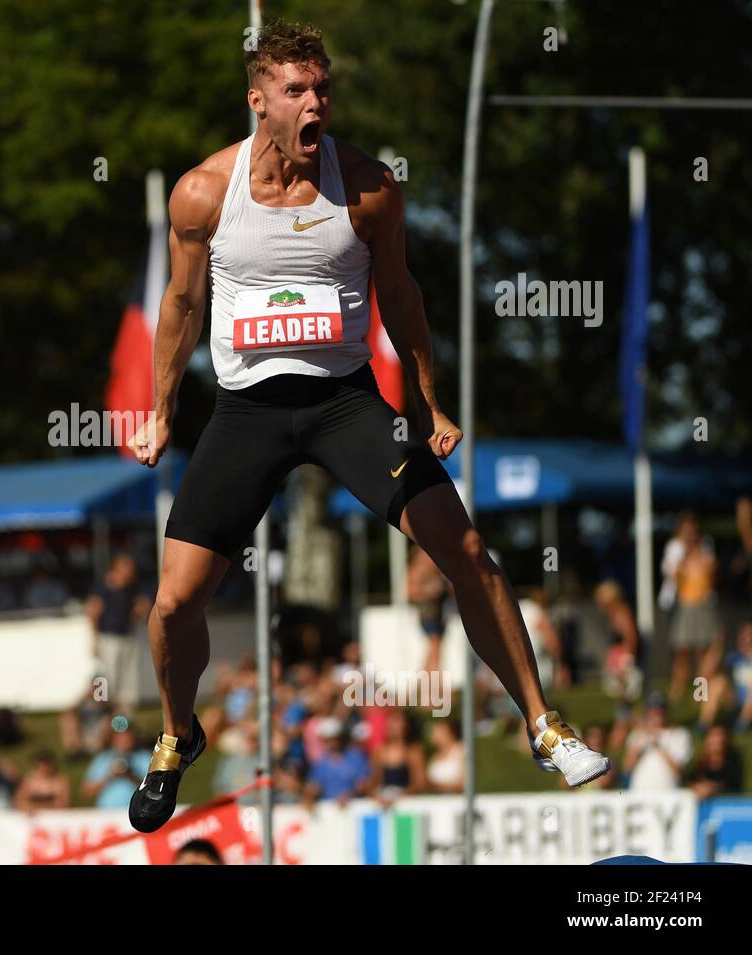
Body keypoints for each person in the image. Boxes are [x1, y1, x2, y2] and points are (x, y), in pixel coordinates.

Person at [123, 19, 608, 832]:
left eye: (323, 89)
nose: (315, 104)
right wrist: (163, 408)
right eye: (296, 92)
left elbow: (403, 297)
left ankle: (543, 723)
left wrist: (426, 403)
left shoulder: (370, 187)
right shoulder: (205, 192)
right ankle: (178, 735)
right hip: (247, 411)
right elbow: (180, 304)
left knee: (464, 548)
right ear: (259, 103)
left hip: (345, 403)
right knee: (175, 604)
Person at [85, 554, 152, 714]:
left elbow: (140, 611)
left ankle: (123, 720)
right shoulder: (103, 588)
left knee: (128, 679)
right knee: (107, 678)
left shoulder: (132, 589)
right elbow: (92, 612)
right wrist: (94, 640)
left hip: (128, 636)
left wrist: (142, 609)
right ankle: (101, 714)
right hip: (108, 638)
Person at [666, 513, 721, 702]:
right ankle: (678, 688)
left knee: (703, 652)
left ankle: (701, 693)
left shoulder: (705, 552)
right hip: (686, 605)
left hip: (702, 605)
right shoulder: (676, 552)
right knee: (682, 651)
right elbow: (675, 577)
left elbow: (711, 574)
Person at [624, 694, 692, 791]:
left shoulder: (680, 734)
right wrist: (643, 737)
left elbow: (679, 770)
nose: (657, 713)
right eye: (653, 710)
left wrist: (657, 742)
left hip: (669, 794)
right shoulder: (637, 734)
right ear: (647, 712)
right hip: (639, 792)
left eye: (660, 709)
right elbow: (627, 768)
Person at [80, 726, 148, 809]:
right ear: (112, 739)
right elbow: (87, 791)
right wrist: (111, 774)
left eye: (127, 737)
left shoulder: (143, 757)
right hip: (107, 813)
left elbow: (153, 789)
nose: (124, 741)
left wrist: (130, 775)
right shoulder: (102, 759)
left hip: (136, 812)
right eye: (119, 738)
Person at [406, 545, 449, 676]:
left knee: (434, 649)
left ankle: (426, 680)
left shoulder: (436, 572)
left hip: (438, 615)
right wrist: (430, 592)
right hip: (428, 614)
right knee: (434, 647)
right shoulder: (417, 571)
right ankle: (432, 680)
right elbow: (410, 594)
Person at [685, 725, 744, 798]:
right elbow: (688, 780)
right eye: (713, 736)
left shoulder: (734, 759)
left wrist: (712, 788)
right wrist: (696, 787)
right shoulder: (700, 761)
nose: (717, 740)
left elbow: (733, 782)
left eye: (719, 736)